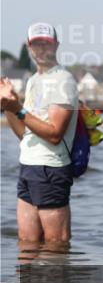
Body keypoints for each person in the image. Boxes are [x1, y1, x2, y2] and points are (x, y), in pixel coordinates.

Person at [0, 23, 78, 246]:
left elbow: (54, 134)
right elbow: (24, 134)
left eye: (47, 43)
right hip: (28, 165)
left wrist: (18, 109)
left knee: (56, 245)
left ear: (56, 45)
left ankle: (55, 281)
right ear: (29, 47)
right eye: (37, 43)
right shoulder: (34, 80)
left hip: (51, 169)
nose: (42, 48)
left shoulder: (63, 80)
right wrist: (9, 104)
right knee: (27, 242)